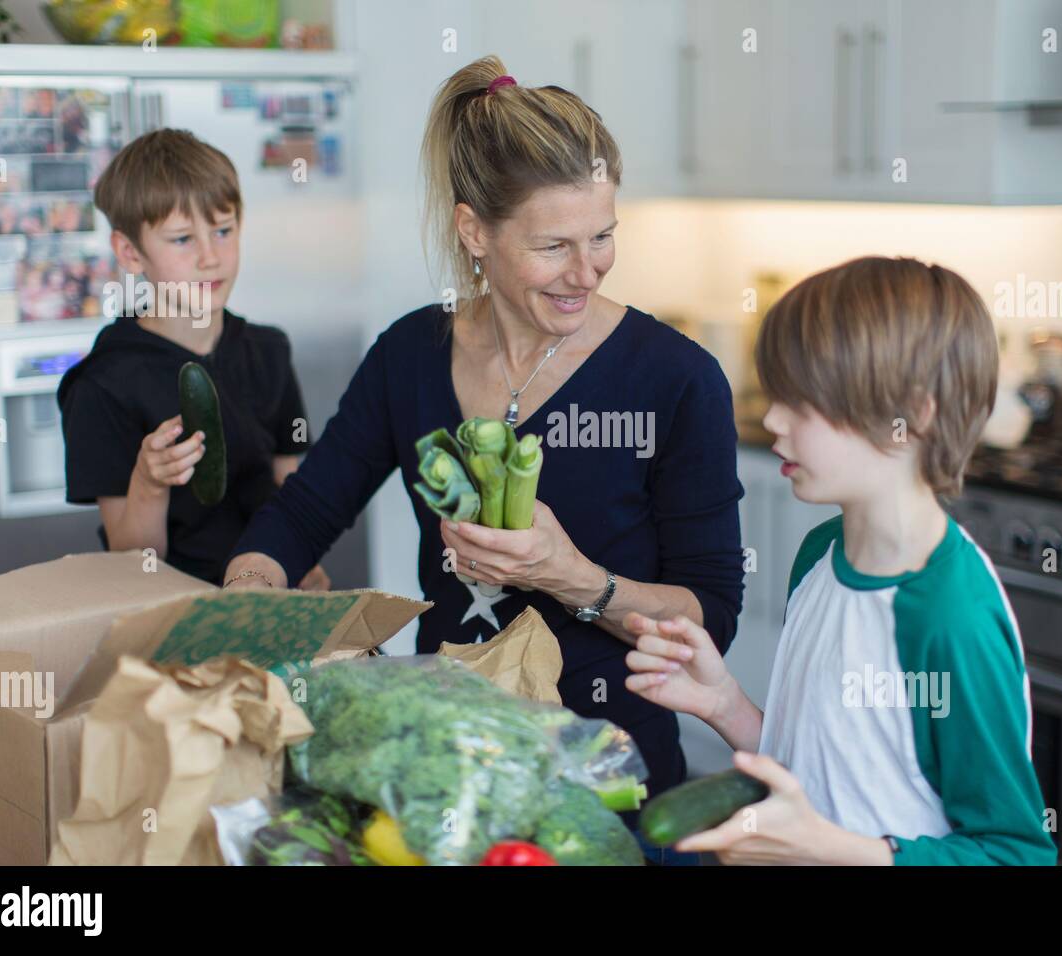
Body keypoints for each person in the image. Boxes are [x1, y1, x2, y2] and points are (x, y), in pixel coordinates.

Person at [223, 57, 745, 859]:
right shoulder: (409, 354)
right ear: (476, 232)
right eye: (553, 246)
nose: (587, 271)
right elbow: (303, 513)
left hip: (612, 789)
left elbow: (711, 616)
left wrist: (568, 574)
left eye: (603, 237)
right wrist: (248, 602)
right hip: (445, 776)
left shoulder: (676, 379)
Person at [625, 257, 1057, 865]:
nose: (773, 419)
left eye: (804, 402)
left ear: (915, 414)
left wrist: (841, 852)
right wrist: (723, 701)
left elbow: (1016, 853)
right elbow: (826, 766)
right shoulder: (819, 555)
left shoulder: (947, 614)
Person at [57, 128, 329, 589]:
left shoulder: (269, 351)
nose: (210, 257)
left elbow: (289, 484)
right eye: (182, 239)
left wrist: (306, 560)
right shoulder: (103, 383)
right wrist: (150, 480)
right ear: (129, 252)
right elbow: (135, 559)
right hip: (173, 614)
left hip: (274, 596)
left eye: (223, 230)